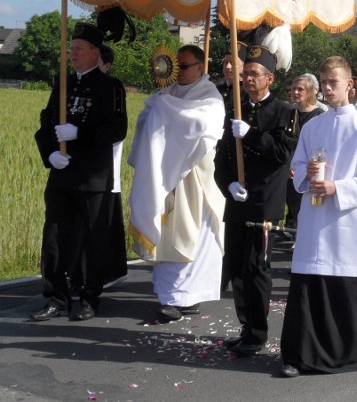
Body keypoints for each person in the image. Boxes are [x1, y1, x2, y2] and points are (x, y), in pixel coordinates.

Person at [279, 55, 357, 378]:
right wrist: (306, 171)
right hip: (315, 218)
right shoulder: (313, 125)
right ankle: (300, 354)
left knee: (346, 282)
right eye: (323, 83)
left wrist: (337, 188)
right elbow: (296, 167)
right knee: (310, 282)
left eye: (333, 83)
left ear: (350, 84)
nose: (327, 89)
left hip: (349, 219)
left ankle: (356, 353)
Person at [32, 22, 128, 322]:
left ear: (94, 53)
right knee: (55, 236)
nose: (72, 53)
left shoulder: (110, 87)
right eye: (71, 48)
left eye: (79, 48)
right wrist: (49, 152)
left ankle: (89, 296)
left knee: (91, 239)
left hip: (93, 177)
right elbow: (46, 124)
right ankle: (55, 297)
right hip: (62, 174)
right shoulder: (63, 83)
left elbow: (116, 129)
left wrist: (80, 134)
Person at [128, 45, 226, 321]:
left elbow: (202, 125)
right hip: (164, 176)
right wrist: (157, 109)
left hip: (194, 177)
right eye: (174, 66)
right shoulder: (166, 94)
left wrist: (167, 110)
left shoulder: (209, 96)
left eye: (183, 67)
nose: (178, 72)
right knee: (168, 233)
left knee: (194, 235)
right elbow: (146, 123)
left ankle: (187, 296)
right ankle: (171, 296)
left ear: (200, 67)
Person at [213, 38, 291, 357]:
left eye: (255, 74)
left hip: (263, 203)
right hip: (237, 201)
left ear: (269, 78)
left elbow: (282, 153)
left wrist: (252, 135)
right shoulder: (235, 109)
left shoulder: (283, 111)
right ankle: (246, 326)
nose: (248, 79)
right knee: (236, 268)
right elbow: (221, 158)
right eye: (245, 73)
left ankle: (258, 333)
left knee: (256, 269)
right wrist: (228, 184)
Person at [98, 44, 130, 288]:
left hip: (104, 168)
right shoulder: (69, 83)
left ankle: (107, 271)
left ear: (107, 65)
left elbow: (118, 130)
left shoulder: (114, 88)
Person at [282, 74, 325, 230]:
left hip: (309, 172)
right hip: (289, 170)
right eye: (293, 88)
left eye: (300, 89)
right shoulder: (288, 113)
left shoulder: (320, 116)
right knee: (294, 208)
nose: (295, 92)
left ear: (310, 92)